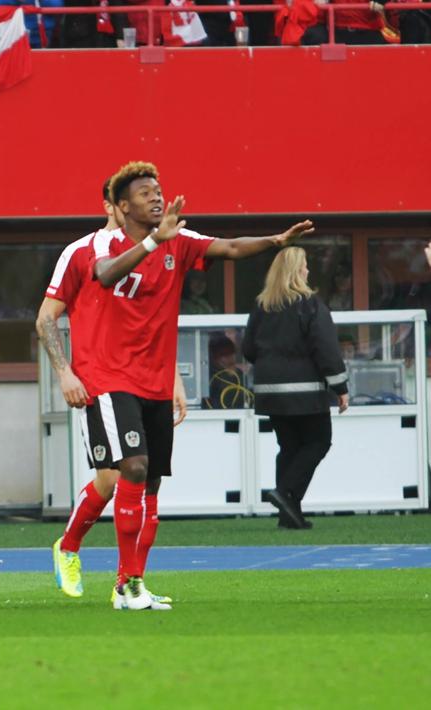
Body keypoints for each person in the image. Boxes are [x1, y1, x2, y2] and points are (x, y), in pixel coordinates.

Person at [85, 160, 314, 611]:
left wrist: (275, 241)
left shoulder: (180, 240)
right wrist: (154, 241)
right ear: (122, 206)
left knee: (151, 484)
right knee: (132, 467)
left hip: (154, 380)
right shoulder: (105, 241)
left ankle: (131, 583)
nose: (156, 197)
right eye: (145, 193)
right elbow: (106, 274)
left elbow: (230, 247)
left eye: (158, 190)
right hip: (112, 377)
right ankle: (122, 582)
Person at [40, 179, 186, 602]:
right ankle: (73, 550)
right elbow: (46, 318)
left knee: (135, 478)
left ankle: (129, 582)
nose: (149, 203)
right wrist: (65, 373)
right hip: (101, 380)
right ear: (112, 206)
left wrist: (174, 377)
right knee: (119, 475)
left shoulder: (153, 247)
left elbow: (151, 322)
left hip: (147, 381)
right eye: (133, 200)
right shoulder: (82, 252)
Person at [242, 247, 348, 529]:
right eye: (305, 266)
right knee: (318, 442)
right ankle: (284, 491)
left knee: (288, 448)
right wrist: (340, 387)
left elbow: (248, 349)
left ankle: (289, 515)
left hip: (270, 392)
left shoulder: (262, 305)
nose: (308, 270)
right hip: (306, 391)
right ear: (297, 271)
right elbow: (326, 349)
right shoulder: (310, 304)